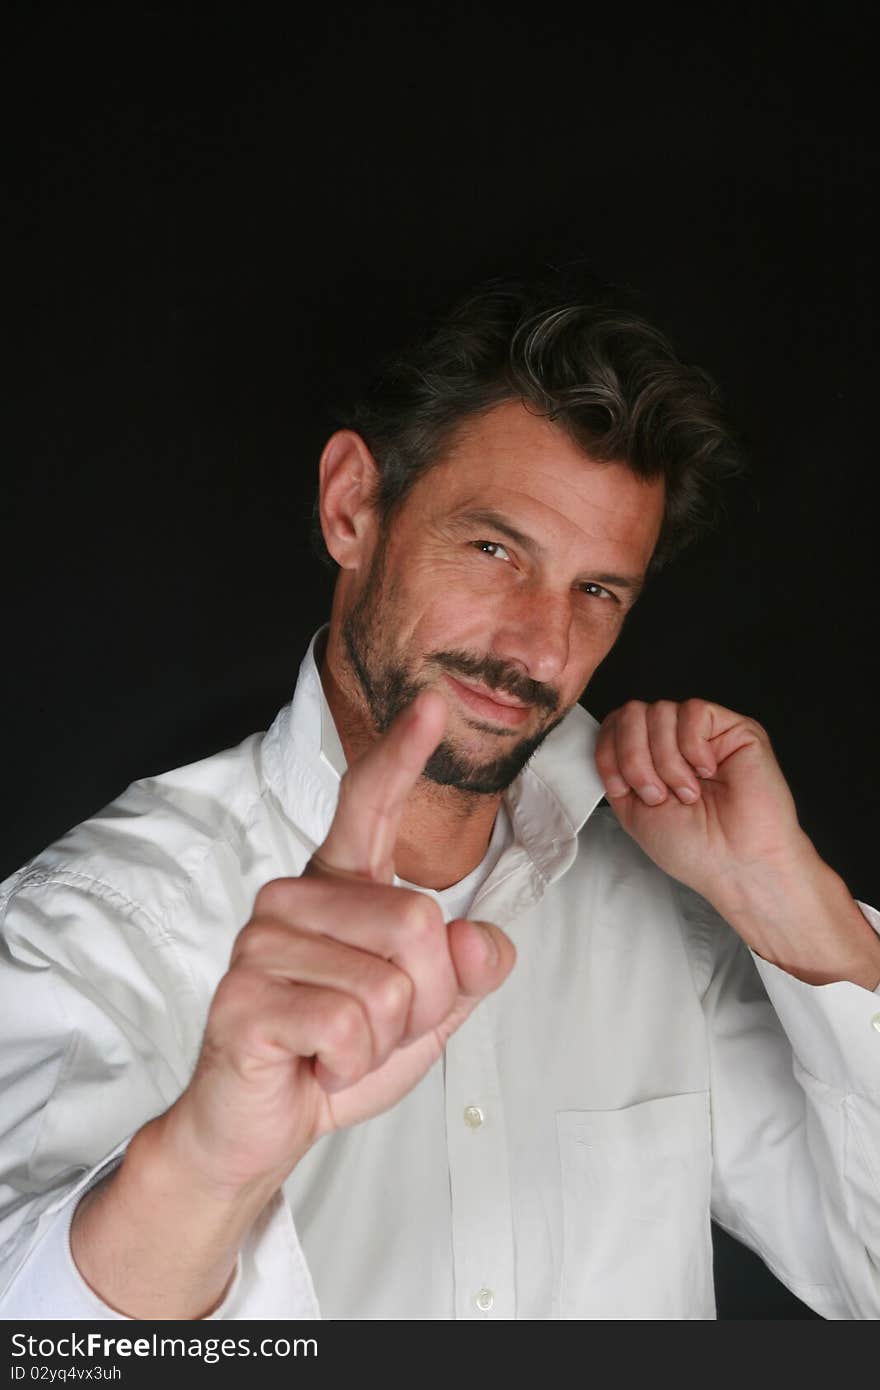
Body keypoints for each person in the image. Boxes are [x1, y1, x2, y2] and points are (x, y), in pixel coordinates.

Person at [2, 275, 879, 1322]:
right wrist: (205, 1164)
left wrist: (805, 917)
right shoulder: (95, 927)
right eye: (494, 548)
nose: (540, 647)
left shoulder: (670, 911)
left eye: (595, 591)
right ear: (350, 507)